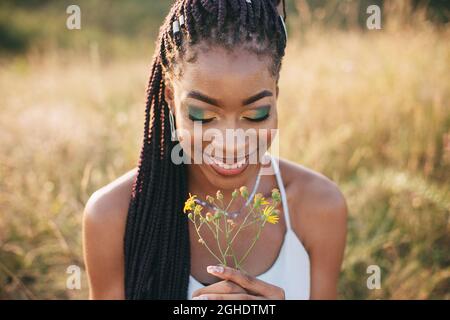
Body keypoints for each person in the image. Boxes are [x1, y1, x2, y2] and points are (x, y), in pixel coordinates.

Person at [83, 0, 347, 300]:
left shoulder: (319, 207)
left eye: (256, 114)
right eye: (202, 116)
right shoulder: (113, 215)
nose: (231, 142)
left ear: (276, 97)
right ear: (170, 98)